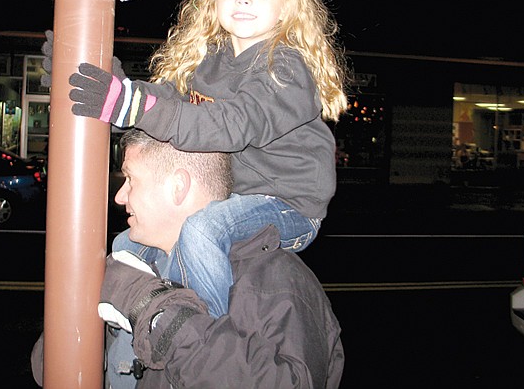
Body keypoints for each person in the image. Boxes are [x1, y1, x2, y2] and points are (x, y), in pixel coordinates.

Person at [65, 0, 350, 318]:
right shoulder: (211, 62)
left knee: (201, 230)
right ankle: (141, 311)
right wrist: (118, 92)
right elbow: (171, 101)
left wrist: (133, 105)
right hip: (232, 197)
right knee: (129, 244)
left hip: (289, 206)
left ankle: (204, 335)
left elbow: (230, 124)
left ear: (287, 6)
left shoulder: (286, 67)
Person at [32, 128, 345, 387]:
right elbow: (46, 368)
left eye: (131, 179)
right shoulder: (138, 264)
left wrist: (154, 311)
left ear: (178, 187)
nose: (120, 196)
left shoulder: (275, 278)